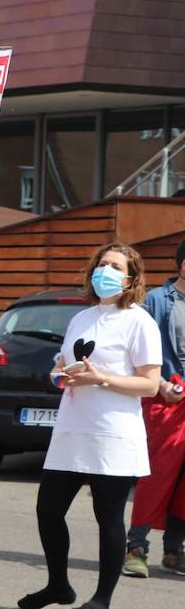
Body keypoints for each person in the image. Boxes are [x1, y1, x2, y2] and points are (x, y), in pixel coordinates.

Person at [19, 243, 161, 609]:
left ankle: (102, 601)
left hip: (113, 434)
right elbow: (61, 365)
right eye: (102, 264)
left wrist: (101, 379)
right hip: (71, 430)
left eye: (115, 266)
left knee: (108, 517)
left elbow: (149, 385)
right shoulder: (80, 318)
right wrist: (58, 376)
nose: (106, 271)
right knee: (47, 509)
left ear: (131, 278)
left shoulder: (139, 321)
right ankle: (58, 585)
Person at [123, 239, 185, 577]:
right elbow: (137, 353)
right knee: (156, 476)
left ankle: (175, 551)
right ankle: (136, 548)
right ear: (182, 264)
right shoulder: (157, 302)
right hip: (166, 400)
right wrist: (160, 384)